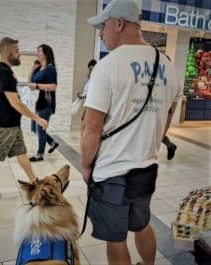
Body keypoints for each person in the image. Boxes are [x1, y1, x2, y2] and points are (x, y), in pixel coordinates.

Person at [81, 1, 183, 265]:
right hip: (146, 168)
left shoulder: (107, 66)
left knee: (116, 239)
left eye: (103, 26)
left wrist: (85, 166)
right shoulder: (168, 67)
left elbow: (91, 128)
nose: (101, 33)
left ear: (118, 23)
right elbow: (167, 119)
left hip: (112, 172)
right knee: (142, 224)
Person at [0, 37, 48, 198]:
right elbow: (16, 104)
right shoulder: (3, 72)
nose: (19, 54)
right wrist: (38, 119)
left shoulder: (1, 71)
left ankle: (35, 181)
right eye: (17, 51)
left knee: (21, 153)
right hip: (3, 127)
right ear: (7, 51)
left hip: (11, 125)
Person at [28, 44, 59, 162]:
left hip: (46, 103)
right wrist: (33, 67)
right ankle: (52, 142)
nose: (37, 53)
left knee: (40, 129)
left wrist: (37, 85)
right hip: (37, 102)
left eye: (39, 51)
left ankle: (40, 154)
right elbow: (30, 81)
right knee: (34, 128)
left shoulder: (50, 69)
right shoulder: (39, 68)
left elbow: (53, 87)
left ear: (46, 54)